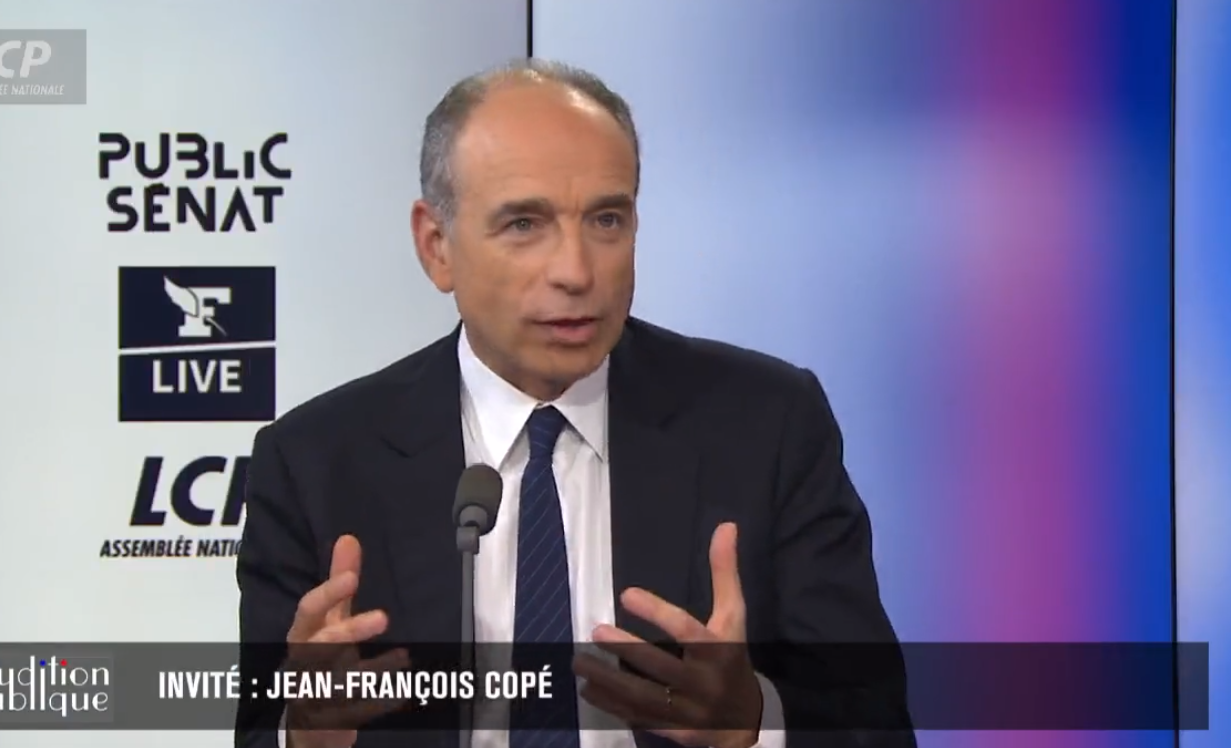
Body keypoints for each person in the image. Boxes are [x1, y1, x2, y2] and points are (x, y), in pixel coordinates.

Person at [235, 59, 914, 748]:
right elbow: (262, 734)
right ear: (436, 246)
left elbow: (876, 724)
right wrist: (306, 734)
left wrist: (753, 722)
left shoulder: (768, 425)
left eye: (606, 219)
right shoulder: (316, 462)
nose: (576, 271)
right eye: (524, 224)